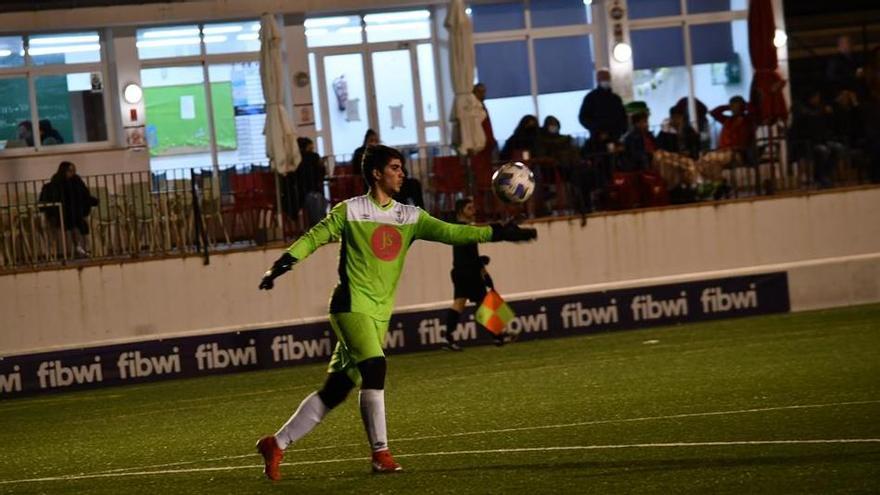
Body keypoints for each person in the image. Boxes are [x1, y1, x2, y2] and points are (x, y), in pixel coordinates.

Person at [254, 144, 537, 480]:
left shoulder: (409, 217)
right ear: (376, 173)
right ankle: (381, 454)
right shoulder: (350, 211)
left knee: (336, 390)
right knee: (375, 366)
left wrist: (497, 232)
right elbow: (312, 239)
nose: (402, 173)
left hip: (378, 316)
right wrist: (279, 266)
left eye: (402, 168)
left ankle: (277, 442)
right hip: (349, 306)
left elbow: (454, 232)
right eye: (395, 168)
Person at [441, 197, 505, 351]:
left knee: (460, 304)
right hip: (469, 272)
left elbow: (467, 252)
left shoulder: (457, 228)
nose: (474, 210)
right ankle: (497, 336)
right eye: (470, 208)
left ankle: (449, 338)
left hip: (459, 271)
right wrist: (483, 270)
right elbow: (472, 254)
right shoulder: (466, 229)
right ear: (461, 211)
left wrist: (480, 263)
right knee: (483, 303)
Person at [38, 161, 98, 258]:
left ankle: (82, 248)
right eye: (70, 171)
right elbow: (53, 200)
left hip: (75, 213)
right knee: (74, 223)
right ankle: (78, 248)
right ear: (64, 171)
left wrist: (90, 203)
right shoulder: (56, 183)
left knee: (78, 223)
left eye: (73, 170)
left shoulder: (76, 182)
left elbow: (84, 195)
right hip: (60, 214)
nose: (72, 173)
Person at [578, 69, 628, 151]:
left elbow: (623, 118)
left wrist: (620, 131)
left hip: (615, 138)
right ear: (598, 80)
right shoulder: (591, 98)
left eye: (607, 78)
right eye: (603, 78)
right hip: (596, 141)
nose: (606, 81)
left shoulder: (615, 99)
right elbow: (583, 118)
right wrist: (596, 129)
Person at [296, 137, 328, 227]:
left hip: (311, 191)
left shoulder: (298, 160)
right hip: (304, 193)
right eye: (310, 149)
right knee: (317, 199)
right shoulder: (311, 158)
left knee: (320, 200)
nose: (312, 152)